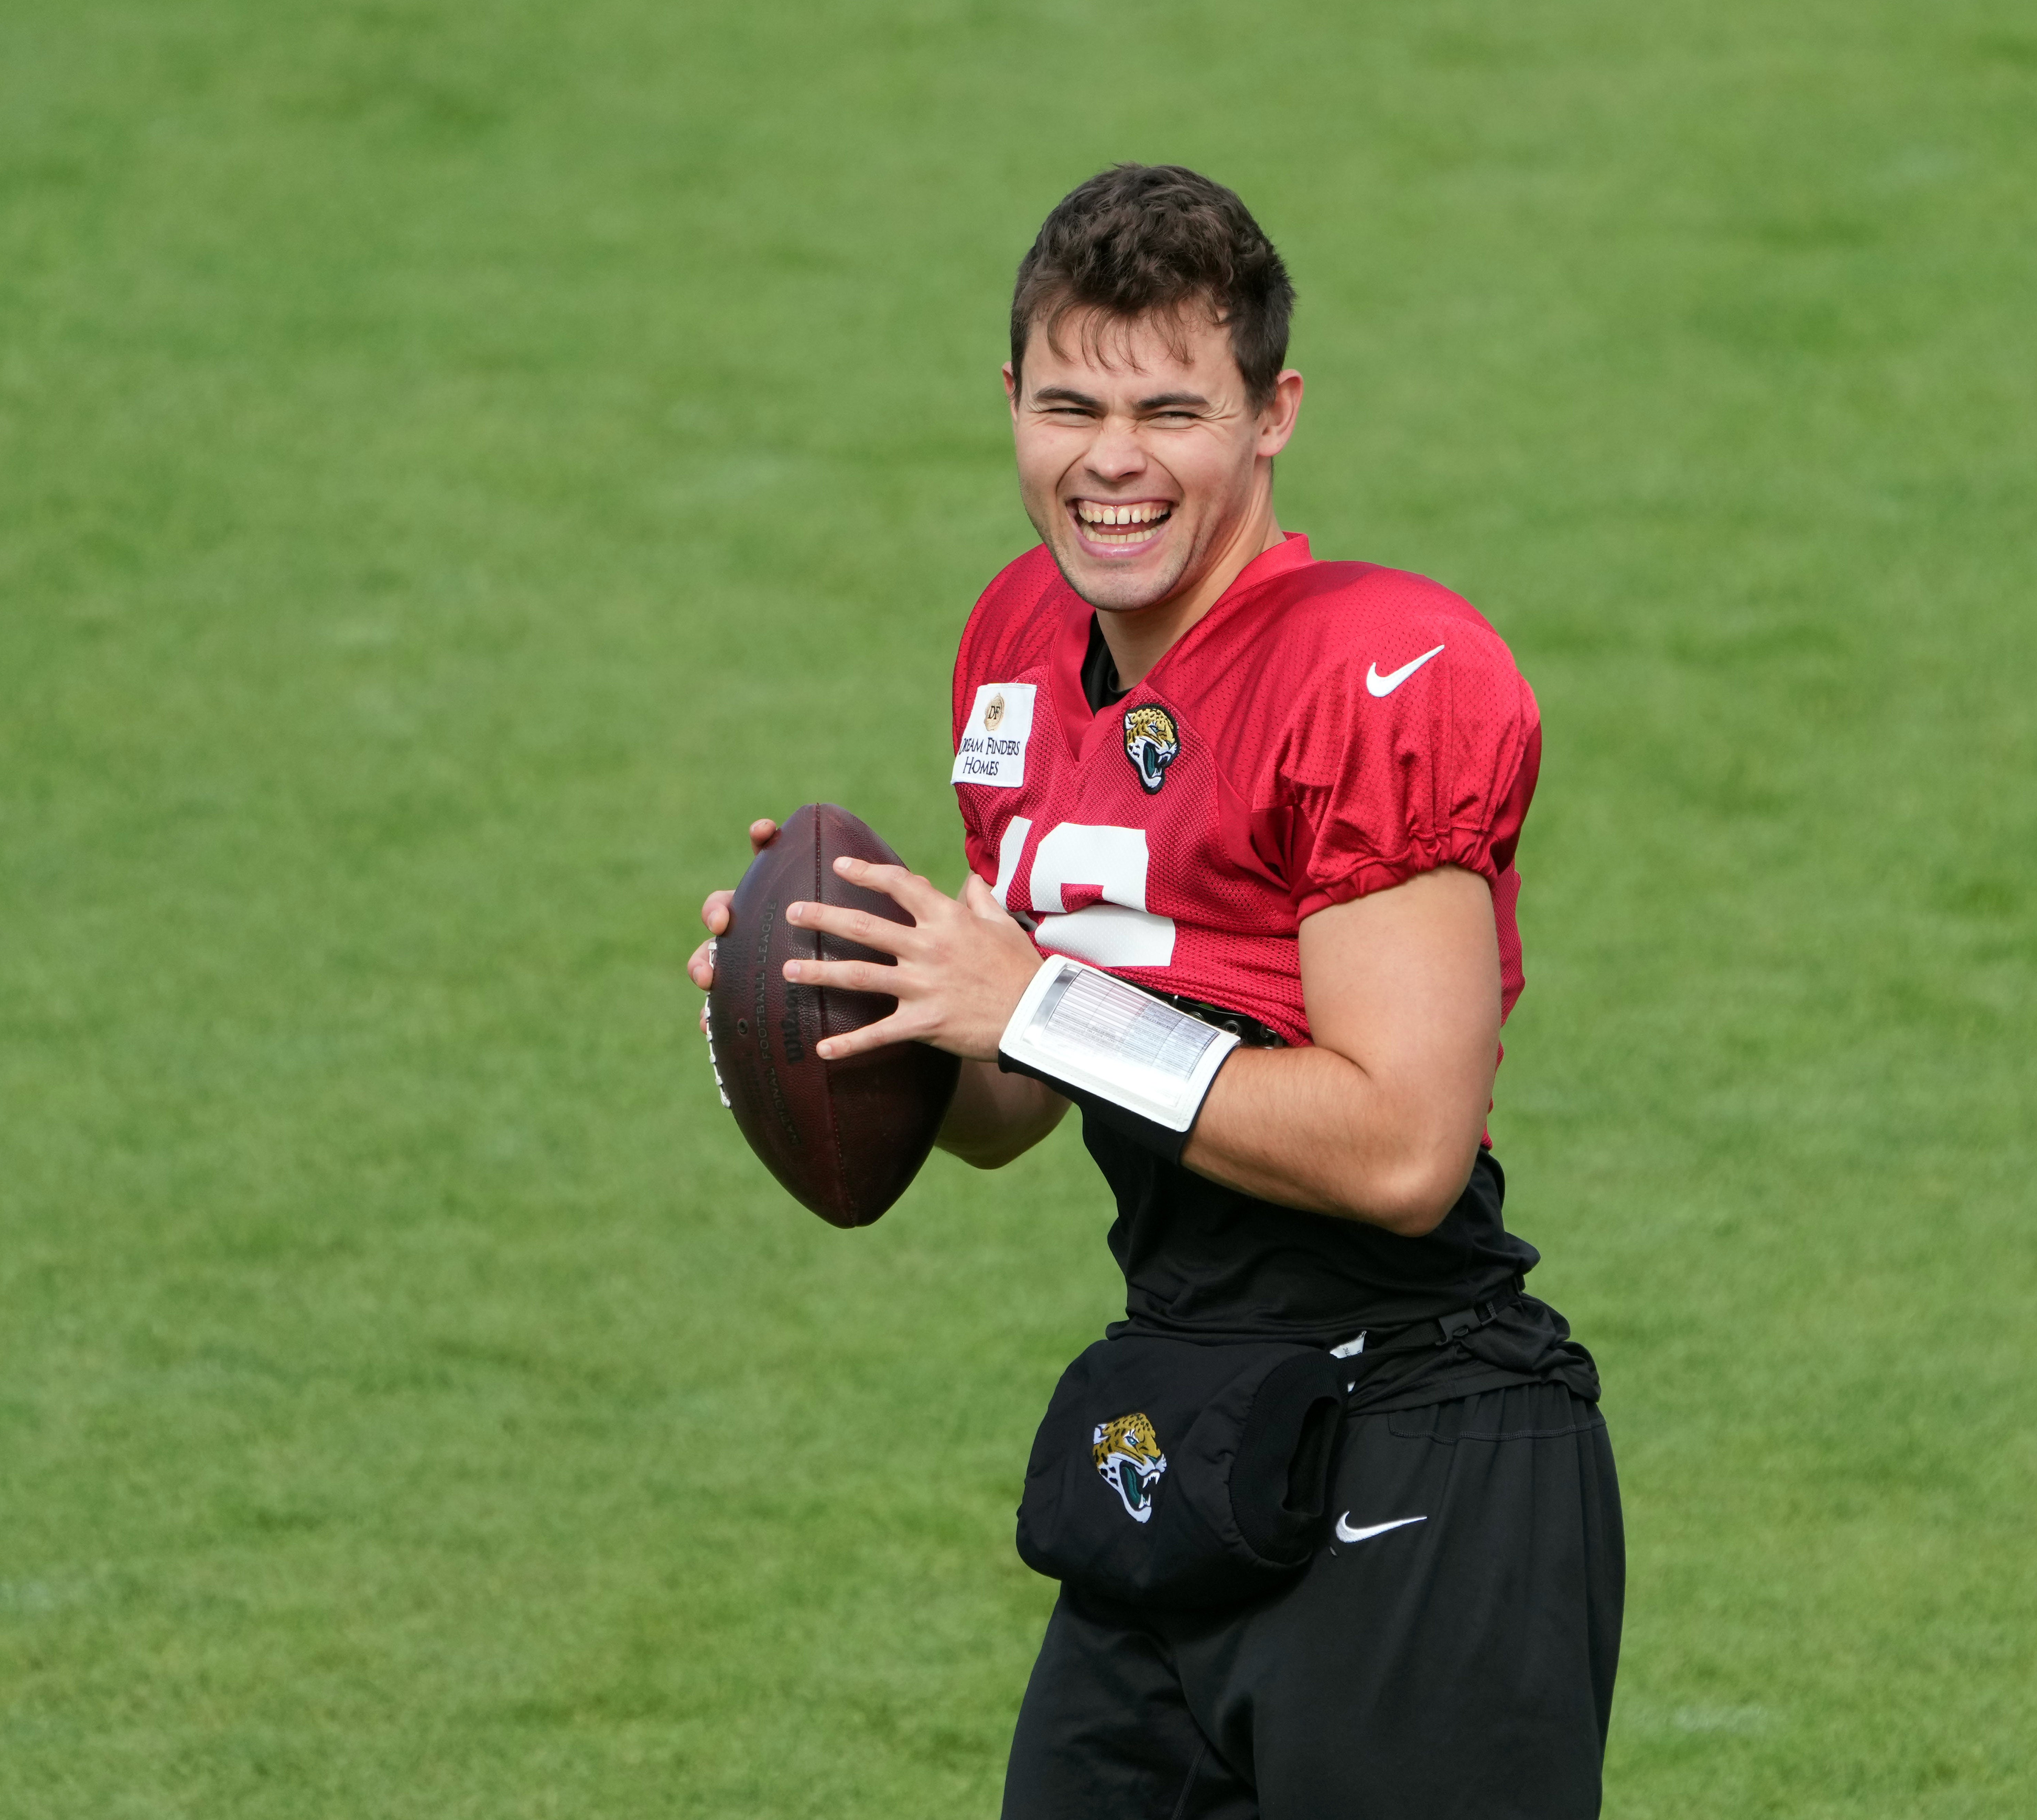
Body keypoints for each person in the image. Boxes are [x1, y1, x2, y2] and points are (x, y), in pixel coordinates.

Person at [688, 163, 1621, 1819]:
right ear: (1012, 403)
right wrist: (856, 1003)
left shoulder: (1376, 672)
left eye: (1170, 408)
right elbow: (1004, 1115)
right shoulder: (1017, 644)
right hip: (1187, 1395)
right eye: (1070, 404)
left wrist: (1034, 998)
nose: (1110, 460)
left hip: (1422, 1431)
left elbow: (1406, 1147)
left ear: (1273, 416)